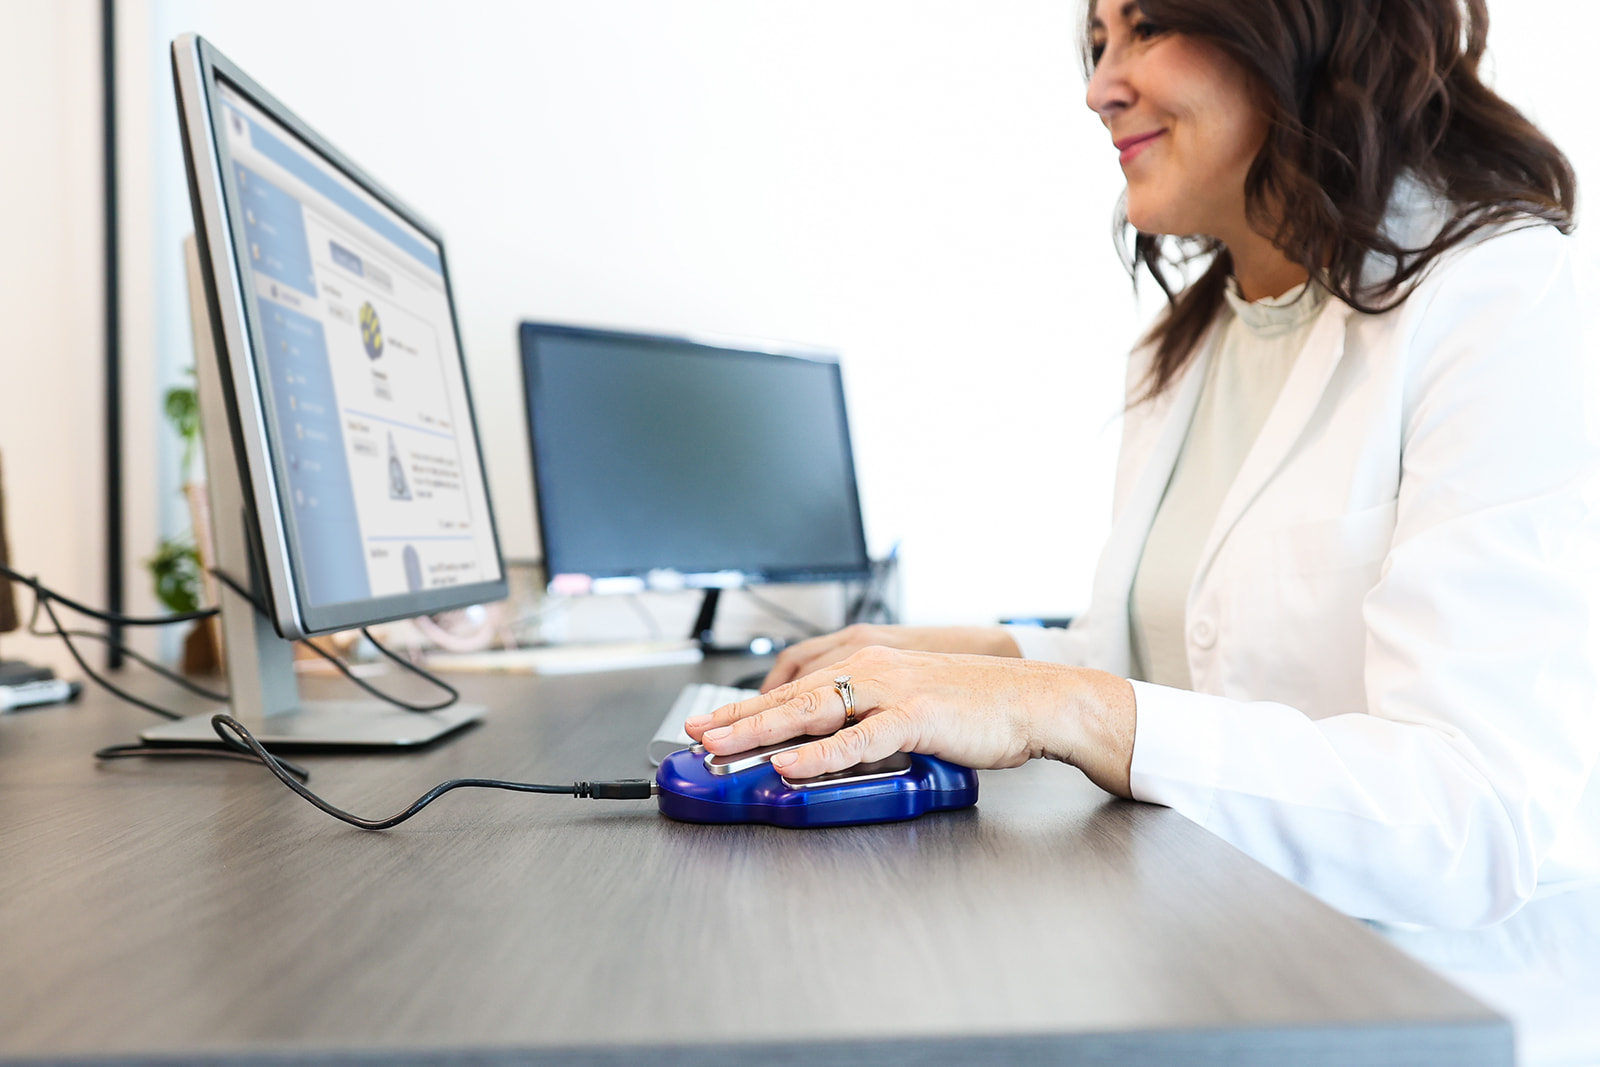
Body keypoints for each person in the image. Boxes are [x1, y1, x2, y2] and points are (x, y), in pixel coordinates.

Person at [686, 0, 1600, 938]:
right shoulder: (1183, 344)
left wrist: (1047, 697)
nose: (1097, 89)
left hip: (1425, 986)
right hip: (1203, 937)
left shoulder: (1495, 296)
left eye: (1148, 27)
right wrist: (955, 662)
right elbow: (1156, 670)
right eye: (1096, 44)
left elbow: (1474, 816)